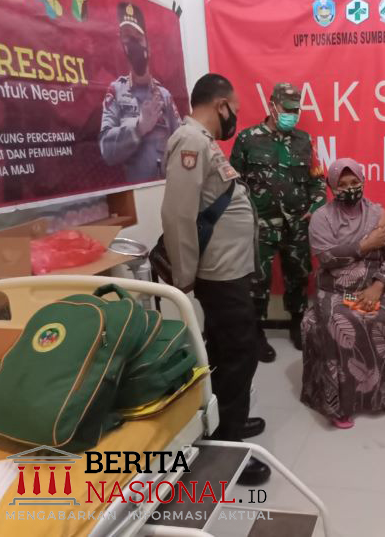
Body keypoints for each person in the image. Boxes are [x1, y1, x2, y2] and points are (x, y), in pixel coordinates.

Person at [161, 73, 270, 486]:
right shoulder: (191, 142)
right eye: (234, 110)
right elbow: (177, 215)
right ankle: (228, 450)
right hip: (217, 275)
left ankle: (228, 423)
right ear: (220, 104)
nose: (234, 118)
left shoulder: (203, 143)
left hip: (229, 272)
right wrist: (184, 277)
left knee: (228, 351)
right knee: (240, 352)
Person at [301, 159, 385, 428]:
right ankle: (340, 404)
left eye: (354, 182)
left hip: (372, 286)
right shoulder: (321, 218)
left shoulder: (379, 215)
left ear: (363, 181)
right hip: (333, 289)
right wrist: (364, 245)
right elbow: (326, 258)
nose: (349, 188)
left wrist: (378, 287)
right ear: (332, 187)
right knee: (339, 322)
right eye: (342, 184)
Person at [230, 83, 326, 363]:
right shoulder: (248, 139)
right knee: (257, 280)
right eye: (287, 109)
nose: (292, 115)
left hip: (296, 224)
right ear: (272, 105)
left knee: (298, 275)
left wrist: (315, 206)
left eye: (296, 110)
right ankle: (256, 332)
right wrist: (244, 216)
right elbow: (233, 182)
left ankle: (297, 324)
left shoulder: (304, 141)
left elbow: (317, 180)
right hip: (260, 225)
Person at [100, 2, 181, 183]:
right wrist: (139, 127)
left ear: (148, 45)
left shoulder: (164, 95)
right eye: (128, 38)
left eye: (138, 37)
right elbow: (106, 150)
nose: (133, 44)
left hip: (167, 186)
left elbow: (182, 141)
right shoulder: (116, 91)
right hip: (135, 192)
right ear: (122, 45)